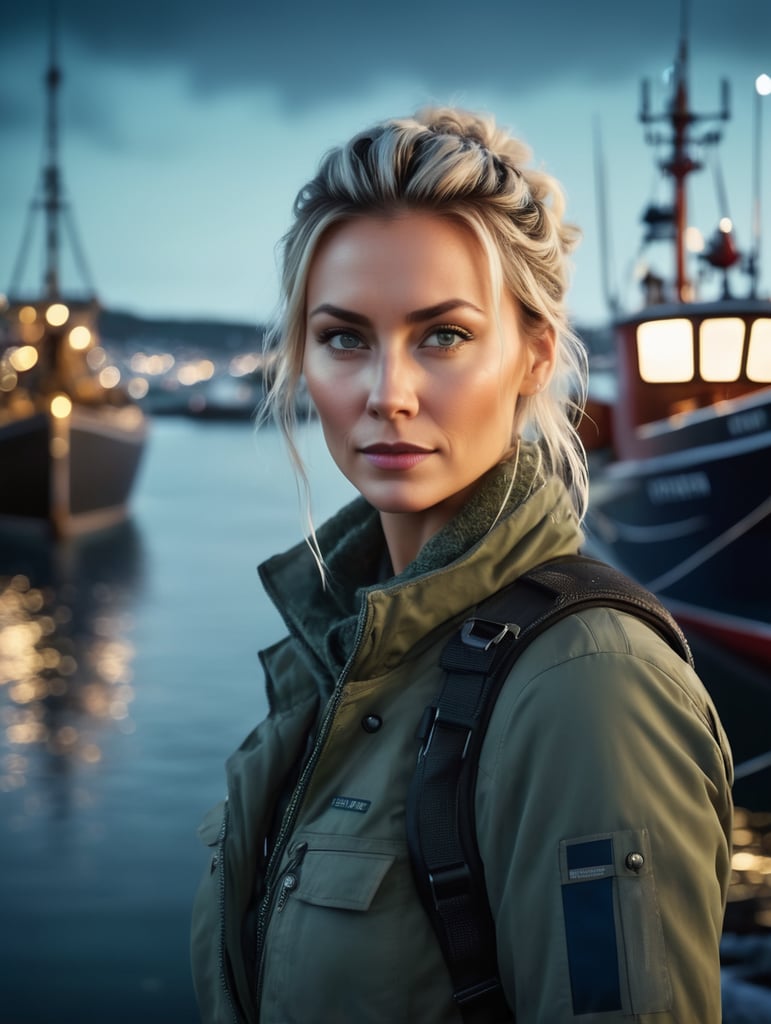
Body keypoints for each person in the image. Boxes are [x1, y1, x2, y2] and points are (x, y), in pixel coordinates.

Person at [190, 107, 733, 1023]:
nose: (386, 394)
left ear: (534, 354)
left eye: (441, 335)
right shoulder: (348, 652)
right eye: (344, 337)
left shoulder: (589, 689)